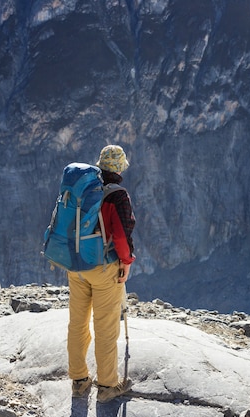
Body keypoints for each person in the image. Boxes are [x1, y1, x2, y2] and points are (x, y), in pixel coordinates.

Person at [67, 144, 136, 403]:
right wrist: (127, 261)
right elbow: (121, 233)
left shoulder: (84, 187)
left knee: (77, 323)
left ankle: (79, 380)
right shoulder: (117, 195)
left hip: (76, 266)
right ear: (119, 167)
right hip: (102, 268)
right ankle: (107, 385)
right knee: (106, 327)